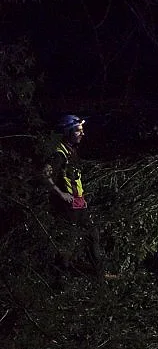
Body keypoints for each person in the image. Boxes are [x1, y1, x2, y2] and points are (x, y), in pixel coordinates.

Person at [42, 114, 107, 277]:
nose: (82, 133)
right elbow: (44, 174)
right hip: (67, 207)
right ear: (67, 132)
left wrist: (81, 198)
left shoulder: (71, 151)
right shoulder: (59, 154)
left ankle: (98, 273)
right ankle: (59, 277)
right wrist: (61, 194)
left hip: (78, 203)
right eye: (78, 130)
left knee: (92, 234)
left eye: (82, 130)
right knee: (68, 242)